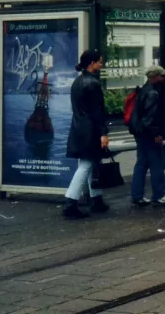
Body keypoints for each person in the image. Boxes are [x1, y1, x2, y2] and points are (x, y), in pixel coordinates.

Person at [63, 49, 109, 219]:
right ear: (92, 63)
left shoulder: (77, 81)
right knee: (87, 166)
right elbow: (98, 111)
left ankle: (96, 199)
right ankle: (70, 202)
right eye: (99, 62)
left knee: (90, 164)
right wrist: (103, 133)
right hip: (91, 130)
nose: (101, 65)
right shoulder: (93, 83)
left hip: (78, 128)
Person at [130, 65, 165, 207]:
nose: (164, 78)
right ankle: (159, 195)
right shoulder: (153, 94)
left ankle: (137, 196)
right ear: (154, 77)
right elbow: (150, 117)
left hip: (140, 132)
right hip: (149, 134)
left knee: (141, 164)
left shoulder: (144, 90)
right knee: (156, 164)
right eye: (161, 75)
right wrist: (157, 134)